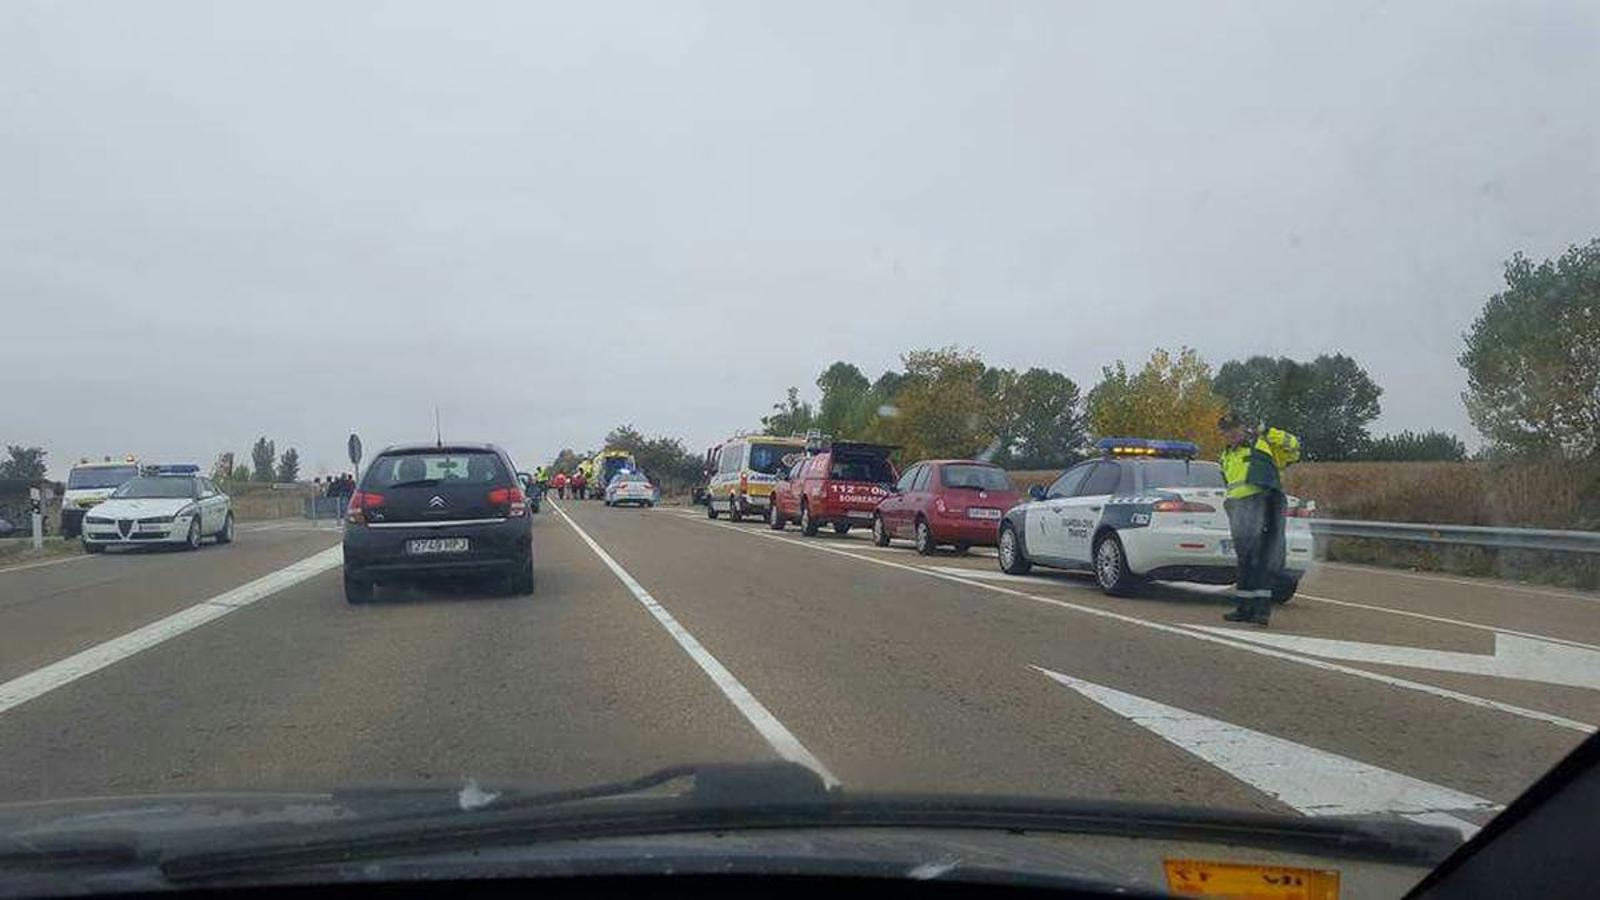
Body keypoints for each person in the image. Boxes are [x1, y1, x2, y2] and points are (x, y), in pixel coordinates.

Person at [1217, 412, 1300, 626]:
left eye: (1235, 429)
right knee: (1245, 560)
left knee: (1262, 558)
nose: (1231, 434)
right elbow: (1229, 483)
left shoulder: (1264, 445)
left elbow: (1294, 447)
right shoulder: (1225, 456)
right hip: (1238, 509)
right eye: (1226, 431)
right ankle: (1244, 608)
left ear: (1244, 428)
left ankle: (1261, 611)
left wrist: (1268, 431)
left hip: (1263, 504)